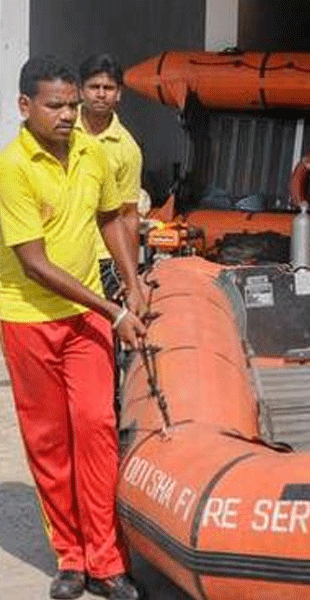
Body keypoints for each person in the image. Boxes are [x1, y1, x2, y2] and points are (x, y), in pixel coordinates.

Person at [0, 55, 147, 600]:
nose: (67, 115)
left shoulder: (94, 152)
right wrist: (115, 311)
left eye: (72, 104)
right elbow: (35, 262)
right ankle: (71, 558)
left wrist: (132, 284)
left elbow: (112, 218)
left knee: (95, 429)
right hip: (28, 317)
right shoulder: (12, 167)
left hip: (84, 317)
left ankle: (107, 561)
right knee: (49, 443)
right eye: (55, 105)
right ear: (25, 106)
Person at [75, 53, 143, 300]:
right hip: (60, 252)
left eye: (108, 88)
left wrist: (131, 278)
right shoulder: (62, 131)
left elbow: (128, 215)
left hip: (103, 259)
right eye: (94, 87)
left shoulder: (127, 148)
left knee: (101, 331)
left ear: (119, 93)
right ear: (80, 91)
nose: (101, 94)